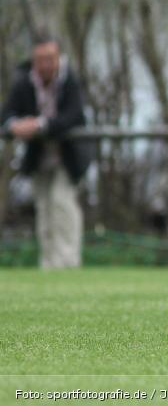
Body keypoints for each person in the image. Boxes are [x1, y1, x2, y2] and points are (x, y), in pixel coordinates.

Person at [1, 32, 90, 269]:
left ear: (59, 57)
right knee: (44, 211)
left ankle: (68, 264)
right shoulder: (24, 81)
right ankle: (48, 265)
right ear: (33, 59)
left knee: (62, 204)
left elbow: (75, 115)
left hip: (68, 158)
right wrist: (15, 125)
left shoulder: (70, 79)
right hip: (38, 159)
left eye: (51, 58)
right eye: (40, 59)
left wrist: (40, 124)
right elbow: (6, 114)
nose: (46, 64)